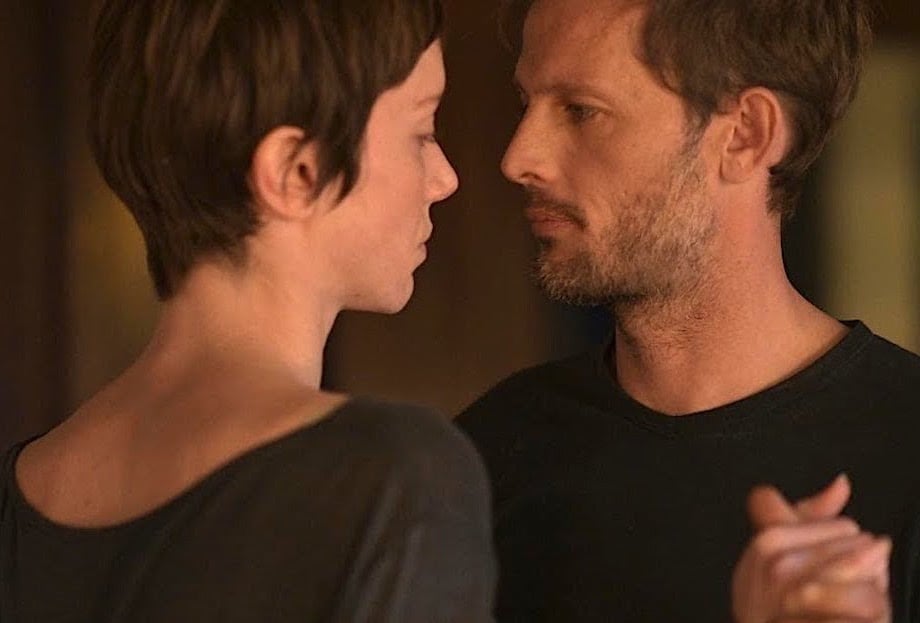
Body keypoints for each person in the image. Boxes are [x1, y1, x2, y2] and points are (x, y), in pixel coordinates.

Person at [0, 1, 496, 621]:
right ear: (297, 172)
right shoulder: (394, 478)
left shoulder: (19, 493)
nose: (444, 178)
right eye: (421, 132)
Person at [456, 0, 920, 621]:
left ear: (746, 134)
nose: (518, 157)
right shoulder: (483, 456)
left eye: (581, 110)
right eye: (527, 103)